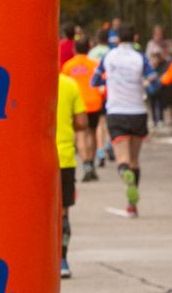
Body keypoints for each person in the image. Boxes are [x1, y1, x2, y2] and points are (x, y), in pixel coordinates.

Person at [94, 27, 157, 216]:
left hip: (116, 111)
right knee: (135, 160)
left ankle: (124, 172)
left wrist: (109, 81)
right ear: (135, 37)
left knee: (123, 159)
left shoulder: (109, 57)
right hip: (137, 111)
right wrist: (144, 85)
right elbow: (154, 82)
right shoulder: (140, 57)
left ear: (117, 39)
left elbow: (94, 81)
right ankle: (132, 204)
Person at [61, 33, 104, 181]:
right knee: (92, 133)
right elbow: (101, 82)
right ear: (89, 48)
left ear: (74, 49)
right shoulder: (94, 65)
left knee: (80, 135)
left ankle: (85, 164)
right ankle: (91, 162)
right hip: (93, 102)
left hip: (77, 104)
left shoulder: (68, 66)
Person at [56, 60, 82, 279]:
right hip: (64, 158)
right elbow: (82, 122)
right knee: (63, 211)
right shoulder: (69, 84)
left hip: (37, 161)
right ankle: (62, 260)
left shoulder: (32, 85)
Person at [146, 26, 172, 132]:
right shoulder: (151, 44)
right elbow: (148, 58)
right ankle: (155, 119)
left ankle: (166, 118)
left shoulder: (167, 43)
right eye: (156, 34)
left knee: (165, 98)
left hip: (165, 71)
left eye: (160, 34)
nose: (158, 36)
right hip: (154, 73)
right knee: (153, 98)